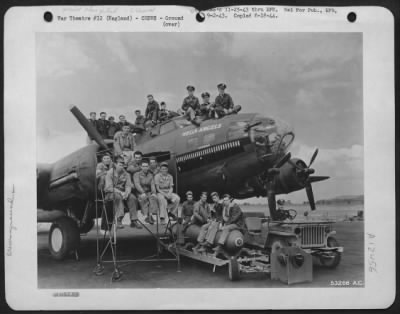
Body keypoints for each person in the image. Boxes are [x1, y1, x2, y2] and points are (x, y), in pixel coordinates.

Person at [104, 157, 142, 229]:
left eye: (123, 164)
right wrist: (121, 193)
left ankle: (134, 220)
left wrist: (127, 193)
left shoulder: (126, 174)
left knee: (132, 198)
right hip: (111, 193)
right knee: (118, 197)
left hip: (123, 192)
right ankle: (119, 219)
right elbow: (109, 187)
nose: (122, 166)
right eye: (120, 164)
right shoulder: (109, 173)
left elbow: (128, 185)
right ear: (115, 164)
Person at [133, 159, 159, 225]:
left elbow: (152, 184)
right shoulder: (136, 174)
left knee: (153, 198)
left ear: (148, 167)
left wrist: (154, 193)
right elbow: (137, 184)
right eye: (143, 166)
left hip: (148, 191)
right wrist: (142, 192)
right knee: (144, 199)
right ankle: (147, 215)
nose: (145, 168)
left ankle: (150, 216)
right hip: (140, 192)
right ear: (141, 167)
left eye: (146, 166)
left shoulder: (150, 175)